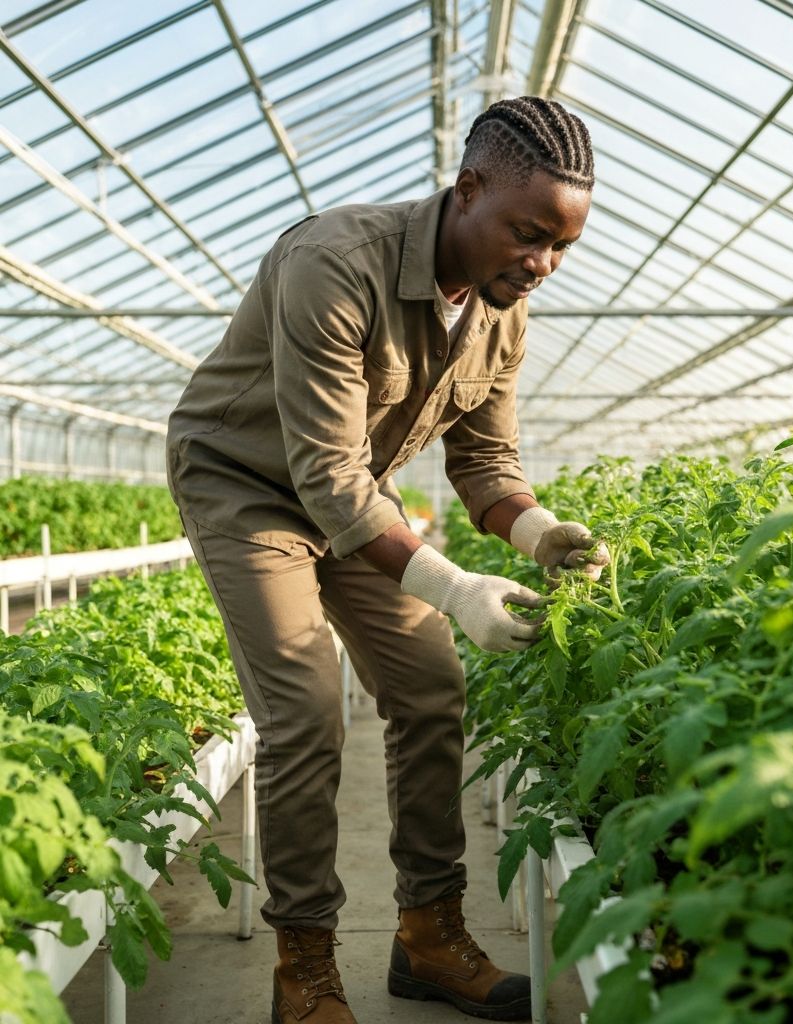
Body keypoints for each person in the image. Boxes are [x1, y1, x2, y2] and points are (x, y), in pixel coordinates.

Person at [166, 95, 605, 1024]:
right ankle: (304, 969)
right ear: (468, 188)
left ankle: (429, 937)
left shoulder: (499, 309)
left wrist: (540, 533)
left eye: (561, 248)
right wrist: (453, 586)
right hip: (246, 485)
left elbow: (485, 460)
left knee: (432, 687)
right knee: (305, 708)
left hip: (355, 499)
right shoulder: (333, 261)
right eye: (528, 235)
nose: (541, 265)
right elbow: (322, 472)